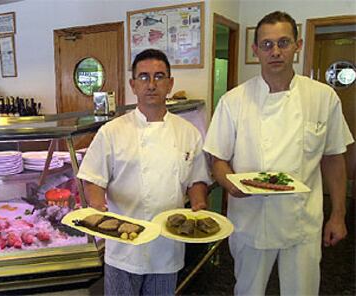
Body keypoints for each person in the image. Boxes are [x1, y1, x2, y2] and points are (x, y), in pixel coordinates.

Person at [203, 11, 354, 296]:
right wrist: (229, 183)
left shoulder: (322, 97)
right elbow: (217, 159)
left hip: (302, 222)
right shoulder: (233, 101)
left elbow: (334, 158)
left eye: (283, 43)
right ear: (256, 50)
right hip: (250, 219)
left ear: (297, 46)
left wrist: (338, 214)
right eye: (267, 44)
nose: (275, 51)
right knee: (248, 290)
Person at [77, 48, 211, 296]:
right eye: (144, 77)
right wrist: (97, 206)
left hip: (167, 244)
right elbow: (93, 178)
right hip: (124, 246)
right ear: (133, 85)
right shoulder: (112, 131)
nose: (152, 84)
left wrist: (199, 205)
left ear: (170, 84)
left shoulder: (188, 132)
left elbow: (197, 179)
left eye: (159, 77)